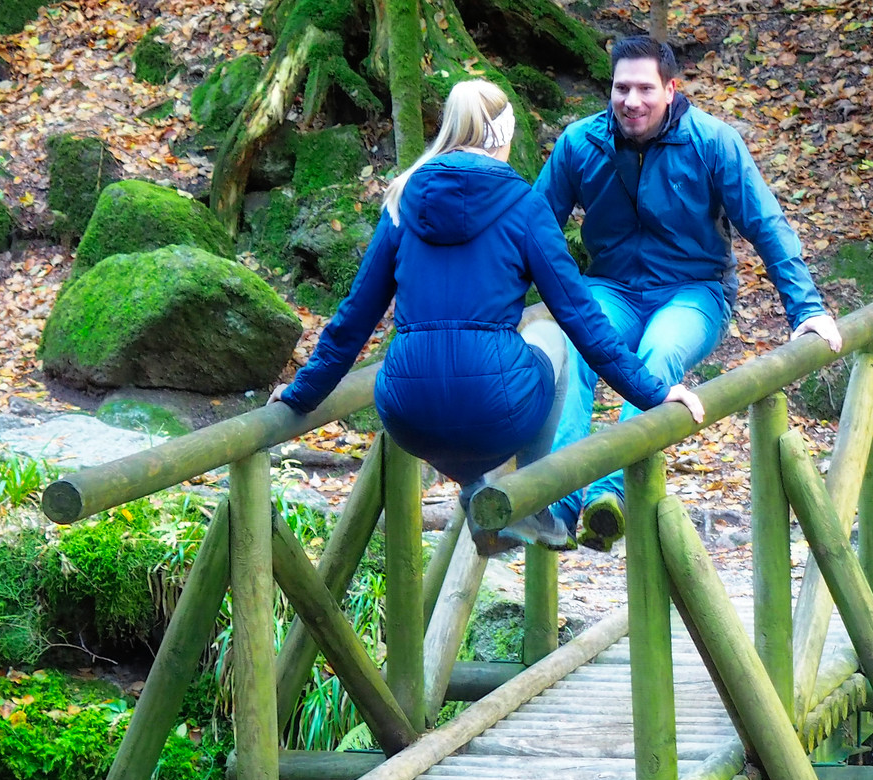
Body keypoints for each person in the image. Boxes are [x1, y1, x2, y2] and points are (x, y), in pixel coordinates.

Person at [271, 79, 704, 553]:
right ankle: (534, 501)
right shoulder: (524, 205)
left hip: (407, 414)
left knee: (480, 376)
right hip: (495, 413)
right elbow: (581, 317)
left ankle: (482, 493)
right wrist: (654, 392)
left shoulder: (403, 199)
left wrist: (300, 395)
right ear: (503, 134)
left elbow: (353, 319)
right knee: (550, 334)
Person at [534, 34, 842, 550]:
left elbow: (765, 224)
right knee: (571, 347)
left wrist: (806, 308)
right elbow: (534, 232)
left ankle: (608, 497)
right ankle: (560, 499)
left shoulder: (711, 141)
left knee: (658, 357)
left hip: (693, 291)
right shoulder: (579, 144)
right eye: (621, 88)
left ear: (671, 89)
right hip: (611, 287)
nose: (632, 101)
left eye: (645, 89)